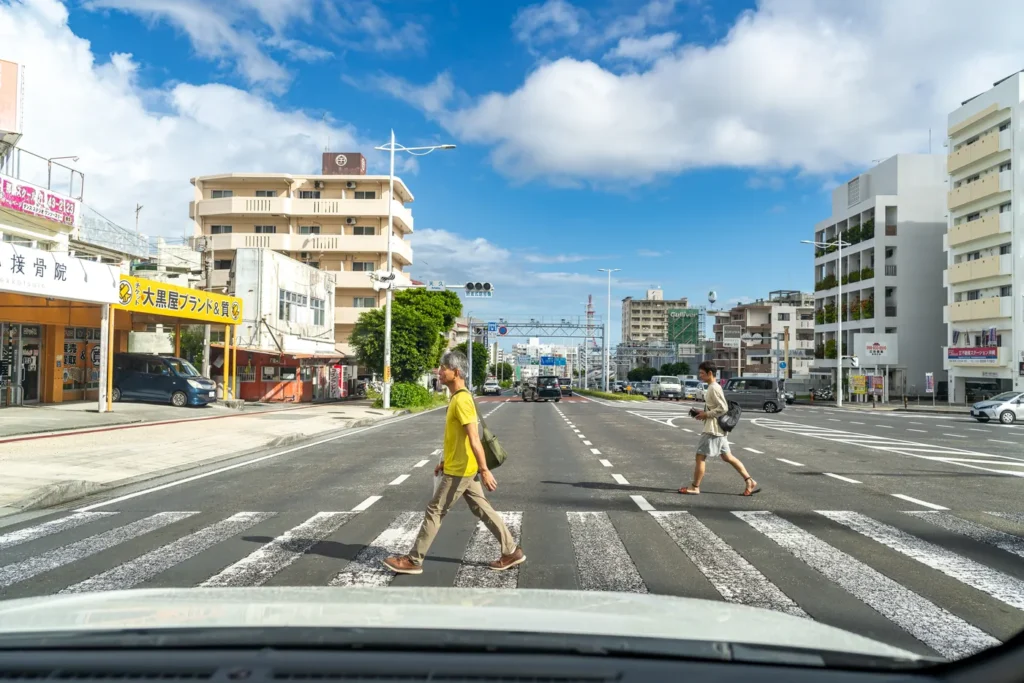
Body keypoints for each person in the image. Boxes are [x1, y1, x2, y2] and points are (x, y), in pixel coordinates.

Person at [383, 350, 525, 575]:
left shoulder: (462, 400)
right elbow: (457, 439)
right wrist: (445, 462)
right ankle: (511, 551)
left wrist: (485, 469)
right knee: (482, 508)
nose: (439, 372)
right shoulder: (458, 398)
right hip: (460, 466)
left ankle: (413, 560)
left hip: (461, 470)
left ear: (456, 372)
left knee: (435, 510)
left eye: (443, 368)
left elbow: (474, 438)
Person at [679, 361, 760, 496]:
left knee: (700, 457)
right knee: (727, 457)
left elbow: (723, 408)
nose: (700, 376)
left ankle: (695, 487)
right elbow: (716, 407)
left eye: (702, 373)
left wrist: (706, 414)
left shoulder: (713, 387)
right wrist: (703, 412)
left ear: (710, 373)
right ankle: (749, 481)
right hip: (718, 430)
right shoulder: (713, 387)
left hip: (713, 430)